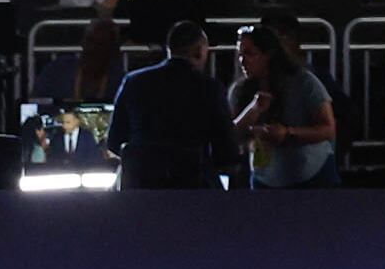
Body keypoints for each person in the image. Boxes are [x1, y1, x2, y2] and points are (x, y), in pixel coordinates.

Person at [110, 19, 243, 188]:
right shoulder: (209, 88)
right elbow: (225, 149)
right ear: (200, 51)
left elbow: (115, 141)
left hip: (141, 184)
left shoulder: (134, 81)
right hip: (192, 185)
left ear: (169, 49)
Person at [233, 15, 336, 188]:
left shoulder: (303, 82)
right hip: (265, 176)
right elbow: (233, 133)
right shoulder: (240, 90)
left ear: (268, 55)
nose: (242, 61)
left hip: (310, 173)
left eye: (250, 54)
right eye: (240, 54)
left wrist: (288, 133)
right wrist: (253, 110)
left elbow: (328, 128)